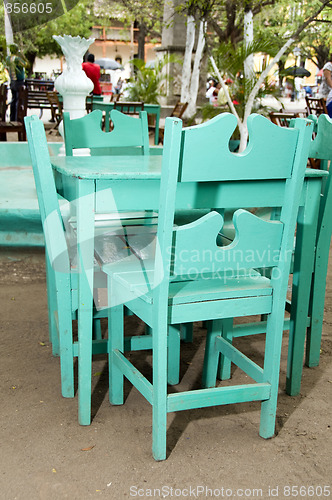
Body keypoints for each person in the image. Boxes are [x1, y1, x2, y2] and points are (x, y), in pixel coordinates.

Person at [6, 44, 26, 121]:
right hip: (19, 81)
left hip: (12, 80)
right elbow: (26, 64)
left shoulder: (8, 58)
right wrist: (22, 56)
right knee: (19, 99)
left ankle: (12, 117)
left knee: (14, 99)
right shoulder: (17, 59)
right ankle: (18, 118)